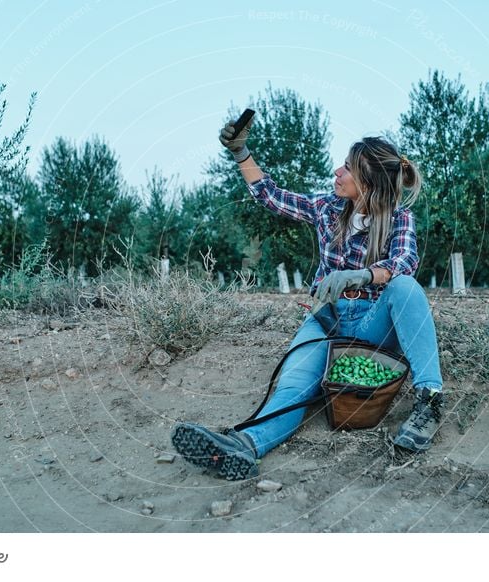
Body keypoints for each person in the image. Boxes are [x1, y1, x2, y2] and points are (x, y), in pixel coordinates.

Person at [171, 114, 444, 480]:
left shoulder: (400, 218)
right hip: (326, 320)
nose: (337, 172)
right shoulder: (327, 209)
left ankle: (429, 402)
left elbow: (404, 262)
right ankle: (245, 446)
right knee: (294, 384)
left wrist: (365, 274)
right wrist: (241, 152)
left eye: (347, 168)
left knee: (405, 288)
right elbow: (271, 195)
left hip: (372, 324)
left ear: (368, 182)